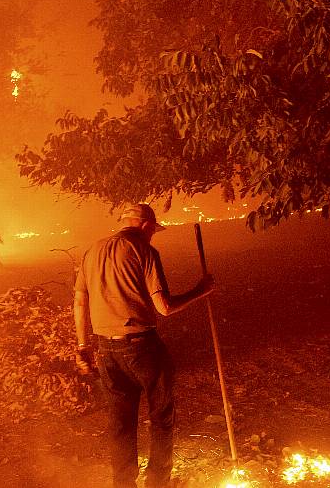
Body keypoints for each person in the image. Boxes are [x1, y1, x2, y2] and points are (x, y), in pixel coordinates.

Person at [73, 203, 214, 488]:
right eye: (153, 231)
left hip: (106, 350)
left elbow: (79, 301)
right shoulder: (144, 251)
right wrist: (201, 290)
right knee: (161, 416)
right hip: (141, 346)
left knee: (121, 424)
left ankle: (124, 485)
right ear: (146, 226)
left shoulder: (92, 251)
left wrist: (82, 345)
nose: (153, 236)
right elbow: (164, 306)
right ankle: (158, 484)